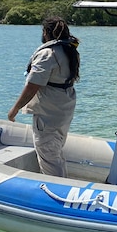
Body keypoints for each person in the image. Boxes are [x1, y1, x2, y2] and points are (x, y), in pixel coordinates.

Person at [8, 17, 80, 177]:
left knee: (48, 154)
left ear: (47, 33)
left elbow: (32, 86)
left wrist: (15, 109)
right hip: (64, 108)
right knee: (56, 150)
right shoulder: (69, 50)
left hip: (49, 113)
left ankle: (56, 191)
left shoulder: (48, 54)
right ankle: (63, 182)